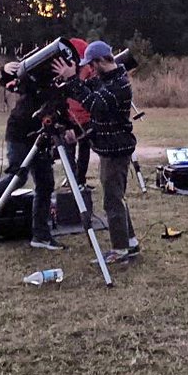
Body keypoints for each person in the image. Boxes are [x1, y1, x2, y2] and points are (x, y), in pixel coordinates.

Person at [51, 40, 139, 263]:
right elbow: (90, 88)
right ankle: (131, 243)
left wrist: (73, 79)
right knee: (116, 198)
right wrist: (71, 81)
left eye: (91, 64)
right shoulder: (108, 79)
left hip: (116, 151)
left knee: (112, 201)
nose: (89, 69)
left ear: (101, 61)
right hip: (110, 148)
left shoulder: (119, 84)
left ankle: (120, 250)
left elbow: (94, 104)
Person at [0, 56, 63, 250]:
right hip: (19, 133)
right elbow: (9, 81)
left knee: (45, 183)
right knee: (16, 178)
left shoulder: (59, 82)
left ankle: (40, 235)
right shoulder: (40, 75)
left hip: (40, 134)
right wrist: (5, 69)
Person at [66, 37, 93, 184]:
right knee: (73, 149)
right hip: (71, 115)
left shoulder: (84, 70)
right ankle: (76, 181)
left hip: (83, 114)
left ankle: (78, 180)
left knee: (81, 148)